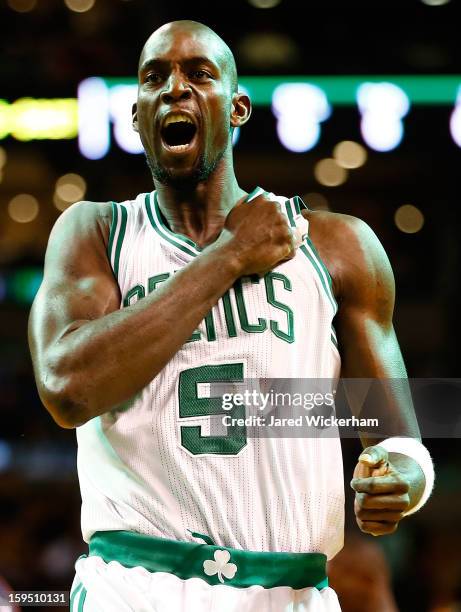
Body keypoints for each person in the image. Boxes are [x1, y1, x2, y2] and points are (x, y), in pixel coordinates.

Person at [28, 19, 435, 612]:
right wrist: (230, 256)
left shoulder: (338, 247)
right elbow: (66, 389)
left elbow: (400, 440)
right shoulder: (97, 232)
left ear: (238, 107)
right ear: (137, 117)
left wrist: (401, 483)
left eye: (199, 74)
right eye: (154, 77)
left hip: (291, 588)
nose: (174, 88)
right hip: (136, 583)